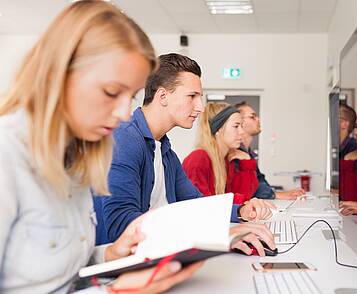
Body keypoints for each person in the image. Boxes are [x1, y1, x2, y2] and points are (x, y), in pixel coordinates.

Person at [0, 1, 205, 293]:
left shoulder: (78, 156)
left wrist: (108, 254)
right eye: (111, 92)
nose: (124, 113)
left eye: (130, 96)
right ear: (58, 75)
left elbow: (57, 273)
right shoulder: (6, 156)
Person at [96, 53, 276, 251]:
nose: (199, 108)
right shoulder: (125, 139)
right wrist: (209, 234)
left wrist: (242, 211)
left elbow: (195, 203)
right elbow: (120, 225)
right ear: (163, 96)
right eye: (192, 97)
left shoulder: (165, 151)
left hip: (160, 255)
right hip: (121, 268)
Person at [183, 102, 260, 204]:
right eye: (236, 126)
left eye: (241, 126)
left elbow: (241, 198)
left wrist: (246, 161)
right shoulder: (199, 159)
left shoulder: (226, 159)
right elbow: (201, 205)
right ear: (218, 129)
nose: (242, 131)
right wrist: (245, 203)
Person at [234, 101, 305, 200]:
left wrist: (275, 193)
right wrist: (277, 195)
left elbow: (259, 179)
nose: (258, 119)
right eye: (252, 117)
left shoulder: (249, 152)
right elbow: (248, 187)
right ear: (239, 122)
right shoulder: (234, 153)